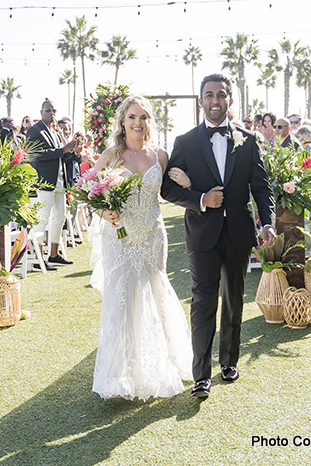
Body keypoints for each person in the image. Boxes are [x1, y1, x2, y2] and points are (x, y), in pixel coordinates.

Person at [161, 73, 276, 399]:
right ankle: (201, 375)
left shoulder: (249, 140)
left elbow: (262, 187)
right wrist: (200, 199)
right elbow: (168, 188)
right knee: (203, 301)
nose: (215, 100)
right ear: (201, 100)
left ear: (230, 99)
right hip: (202, 234)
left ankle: (228, 360)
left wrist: (267, 223)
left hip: (240, 233)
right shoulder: (185, 141)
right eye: (209, 95)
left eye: (221, 95)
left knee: (234, 299)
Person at [89, 95, 192, 401]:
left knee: (155, 292)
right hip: (118, 237)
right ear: (122, 121)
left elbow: (171, 190)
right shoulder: (110, 156)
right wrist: (103, 213)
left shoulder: (160, 155)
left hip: (152, 235)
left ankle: (163, 365)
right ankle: (119, 377)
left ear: (150, 121)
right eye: (132, 117)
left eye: (143, 117)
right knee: (121, 298)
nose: (137, 123)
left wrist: (187, 184)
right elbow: (90, 194)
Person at [26, 99, 81, 267]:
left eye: (53, 111)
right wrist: (63, 149)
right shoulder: (34, 130)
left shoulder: (55, 133)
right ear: (41, 112)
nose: (51, 113)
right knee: (43, 219)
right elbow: (36, 154)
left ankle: (54, 254)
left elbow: (61, 156)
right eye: (48, 110)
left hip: (59, 181)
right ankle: (38, 257)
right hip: (45, 181)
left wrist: (72, 150)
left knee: (60, 217)